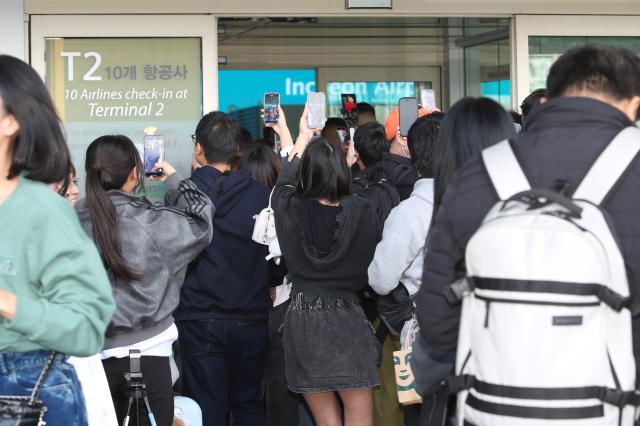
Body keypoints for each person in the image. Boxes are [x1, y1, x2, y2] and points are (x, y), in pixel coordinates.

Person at [415, 45, 640, 421]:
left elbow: (437, 320)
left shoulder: (480, 172)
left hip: (495, 407)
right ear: (633, 104)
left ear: (550, 98)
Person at [0, 54, 115, 424]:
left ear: (12, 120)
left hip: (25, 392)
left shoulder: (43, 212)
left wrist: (6, 302)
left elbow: (86, 328)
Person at [76, 134, 214, 426]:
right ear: (134, 173)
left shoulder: (69, 221)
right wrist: (174, 179)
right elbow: (202, 220)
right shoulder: (151, 220)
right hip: (149, 357)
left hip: (88, 361)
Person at [273, 106, 381, 426]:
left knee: (326, 422)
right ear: (343, 169)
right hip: (349, 317)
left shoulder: (288, 208)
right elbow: (372, 266)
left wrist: (301, 136)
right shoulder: (362, 209)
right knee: (360, 417)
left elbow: (284, 184)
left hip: (304, 320)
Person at [177, 111, 271, 426]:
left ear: (199, 148)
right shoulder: (261, 195)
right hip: (252, 318)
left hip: (200, 318)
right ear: (236, 152)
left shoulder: (187, 194)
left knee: (205, 410)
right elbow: (274, 259)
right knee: (249, 405)